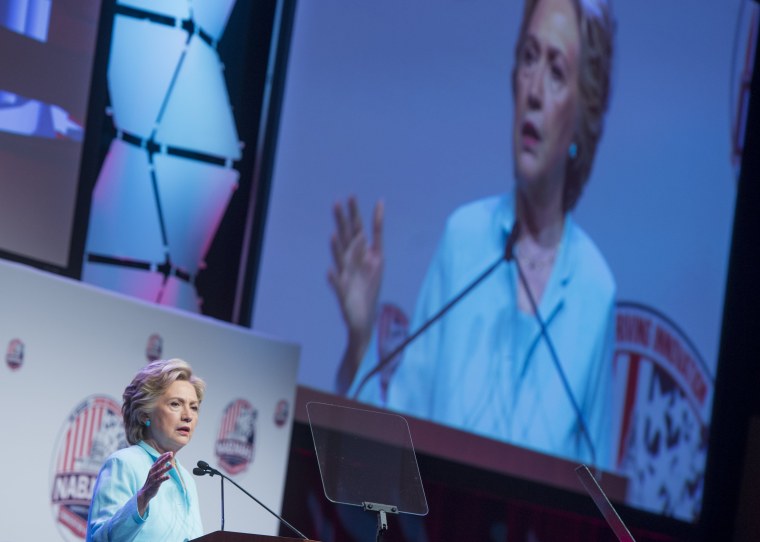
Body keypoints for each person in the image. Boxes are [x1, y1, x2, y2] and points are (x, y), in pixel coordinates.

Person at [329, 0, 616, 468]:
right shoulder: (465, 240)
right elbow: (398, 435)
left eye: (557, 71)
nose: (535, 91)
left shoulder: (595, 289)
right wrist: (362, 338)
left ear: (583, 115)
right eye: (528, 57)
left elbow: (599, 488)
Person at [86, 358, 206, 541]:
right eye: (175, 404)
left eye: (194, 407)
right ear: (144, 414)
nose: (188, 416)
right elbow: (99, 540)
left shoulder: (188, 480)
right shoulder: (123, 463)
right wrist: (143, 498)